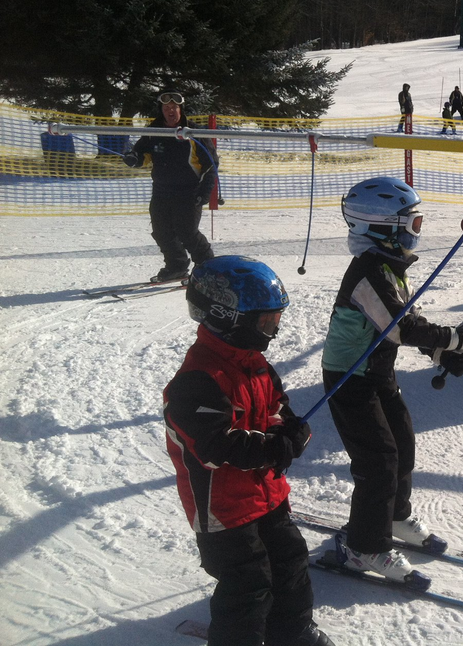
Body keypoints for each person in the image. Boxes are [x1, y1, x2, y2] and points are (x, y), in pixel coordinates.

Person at [163, 256, 333, 646]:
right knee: (249, 583)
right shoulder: (197, 381)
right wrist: (273, 446)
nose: (272, 331)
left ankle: (293, 632)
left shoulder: (255, 364)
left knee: (289, 559)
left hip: (267, 494)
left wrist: (291, 431)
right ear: (227, 317)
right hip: (223, 508)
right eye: (265, 322)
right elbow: (216, 446)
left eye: (275, 321)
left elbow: (276, 410)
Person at [322, 177, 463, 582]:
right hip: (349, 379)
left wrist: (441, 350)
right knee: (378, 460)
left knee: (402, 443)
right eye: (412, 224)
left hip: (376, 372)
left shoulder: (389, 268)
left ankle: (393, 518)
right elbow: (398, 327)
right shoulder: (367, 273)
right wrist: (453, 339)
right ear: (381, 227)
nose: (417, 232)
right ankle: (363, 547)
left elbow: (400, 325)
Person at [122, 92, 216, 283]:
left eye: (174, 108)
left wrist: (205, 192)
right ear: (162, 111)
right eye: (166, 108)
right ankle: (177, 265)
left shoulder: (193, 132)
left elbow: (211, 164)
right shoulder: (154, 132)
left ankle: (207, 268)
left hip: (189, 191)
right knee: (161, 231)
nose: (171, 111)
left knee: (187, 232)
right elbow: (141, 154)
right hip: (162, 190)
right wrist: (133, 159)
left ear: (180, 109)